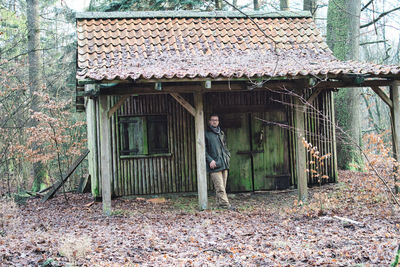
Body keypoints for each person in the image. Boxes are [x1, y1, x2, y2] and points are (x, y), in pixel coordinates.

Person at [205, 114, 233, 209]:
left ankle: (219, 205)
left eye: (216, 120)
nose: (214, 121)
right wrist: (210, 160)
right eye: (212, 120)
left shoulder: (221, 133)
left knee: (222, 188)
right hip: (214, 164)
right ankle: (225, 205)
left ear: (218, 121)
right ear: (209, 121)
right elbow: (203, 150)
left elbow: (224, 147)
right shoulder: (206, 134)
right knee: (220, 187)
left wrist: (227, 156)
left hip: (224, 163)